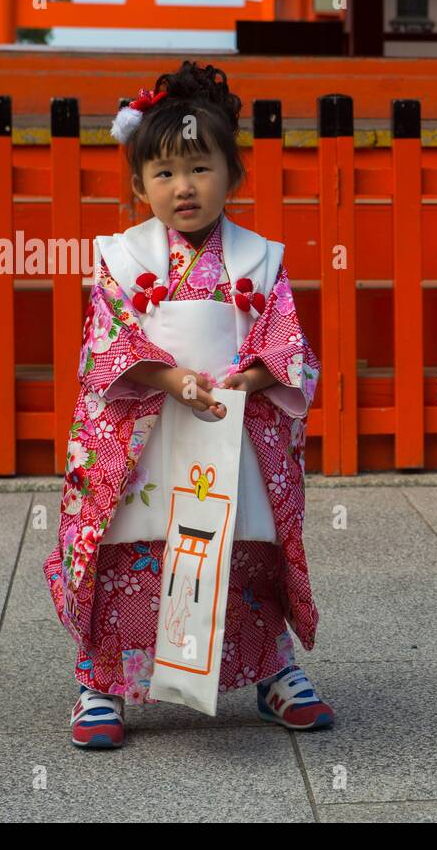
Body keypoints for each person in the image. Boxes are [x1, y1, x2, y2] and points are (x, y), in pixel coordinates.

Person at [43, 61, 334, 748]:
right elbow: (105, 347)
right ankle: (101, 681)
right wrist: (170, 379)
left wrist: (253, 380)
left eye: (201, 168)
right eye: (165, 172)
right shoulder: (120, 257)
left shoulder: (260, 259)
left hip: (231, 428)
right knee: (130, 550)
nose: (184, 187)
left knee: (243, 548)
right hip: (146, 433)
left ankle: (272, 671)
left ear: (232, 175)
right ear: (138, 183)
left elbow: (288, 344)